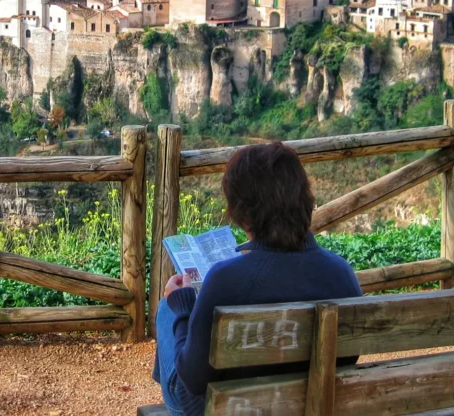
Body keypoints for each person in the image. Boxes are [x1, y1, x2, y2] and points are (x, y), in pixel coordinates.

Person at [153, 142, 363, 416]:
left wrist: (182, 309)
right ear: (304, 199)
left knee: (168, 309)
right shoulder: (342, 273)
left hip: (230, 409)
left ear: (242, 212)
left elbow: (193, 380)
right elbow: (349, 356)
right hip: (312, 405)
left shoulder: (224, 280)